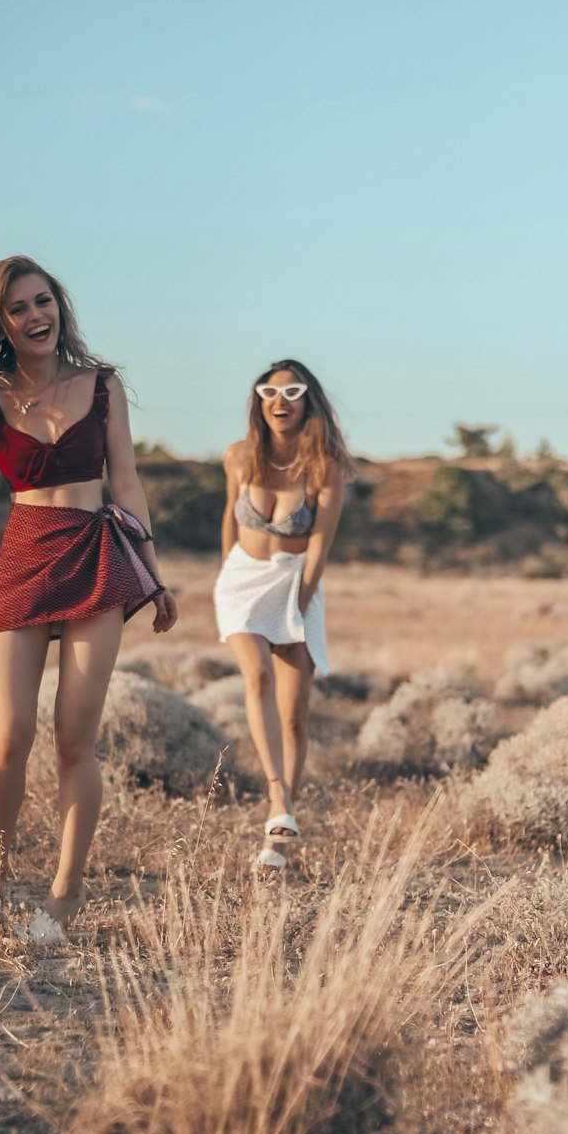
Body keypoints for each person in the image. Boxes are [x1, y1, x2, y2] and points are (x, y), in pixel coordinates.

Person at [0, 255, 177, 943]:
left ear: (60, 306)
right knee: (9, 731)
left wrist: (155, 573)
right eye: (18, 309)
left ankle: (66, 897)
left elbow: (127, 486)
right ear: (1, 323)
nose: (35, 316)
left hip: (96, 558)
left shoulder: (102, 386)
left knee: (75, 741)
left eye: (43, 301)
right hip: (21, 559)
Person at [215, 359, 352, 867]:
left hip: (297, 583)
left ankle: (276, 841)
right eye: (270, 392)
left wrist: (300, 600)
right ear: (259, 400)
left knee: (294, 717)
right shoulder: (238, 457)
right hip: (242, 583)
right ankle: (278, 796)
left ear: (307, 400)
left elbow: (320, 543)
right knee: (258, 679)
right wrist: (224, 572)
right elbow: (229, 521)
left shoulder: (325, 466)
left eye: (293, 392)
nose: (281, 401)